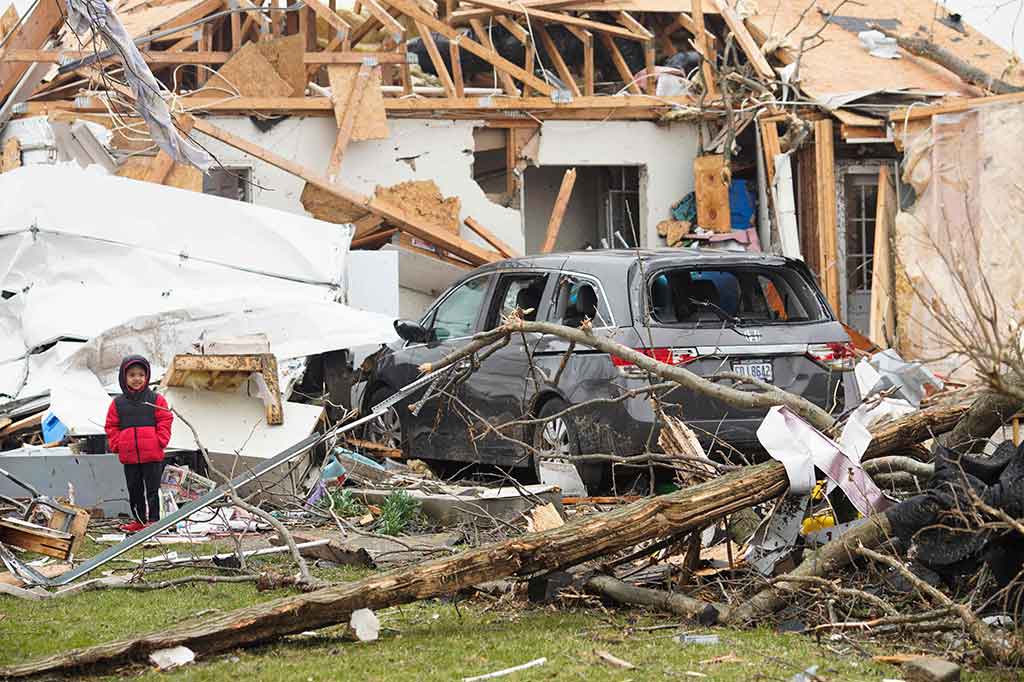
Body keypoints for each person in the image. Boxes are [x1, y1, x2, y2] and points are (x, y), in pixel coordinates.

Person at [104, 355, 173, 532]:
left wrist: (160, 441)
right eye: (132, 375)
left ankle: (154, 520)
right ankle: (139, 521)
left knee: (152, 489)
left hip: (152, 454)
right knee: (134, 490)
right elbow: (111, 426)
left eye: (141, 375)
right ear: (124, 377)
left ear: (147, 377)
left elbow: (165, 419)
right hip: (129, 457)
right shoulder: (117, 404)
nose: (137, 379)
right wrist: (117, 445)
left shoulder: (156, 399)